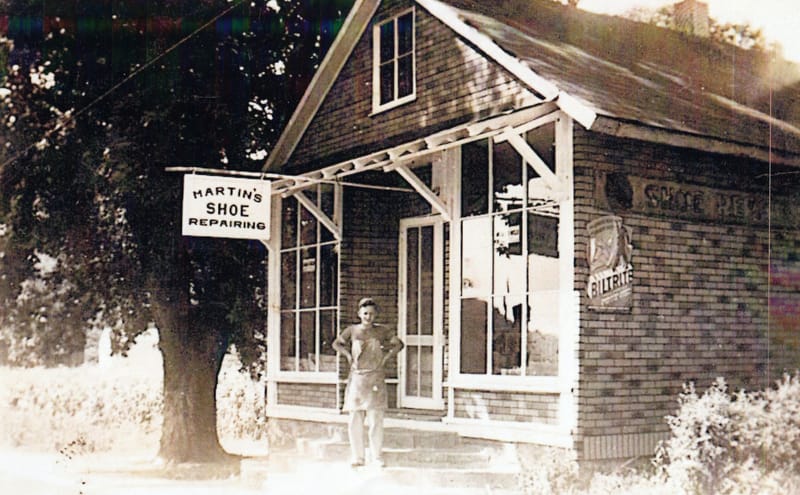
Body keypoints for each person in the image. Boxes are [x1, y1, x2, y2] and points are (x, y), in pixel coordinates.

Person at [332, 297, 404, 468]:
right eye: (365, 313)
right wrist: (348, 355)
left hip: (375, 378)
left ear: (376, 315)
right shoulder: (352, 330)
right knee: (355, 418)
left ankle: (376, 456)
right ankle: (358, 457)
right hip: (357, 378)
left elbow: (398, 344)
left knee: (375, 418)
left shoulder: (382, 331)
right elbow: (337, 343)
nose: (368, 317)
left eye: (371, 314)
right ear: (359, 314)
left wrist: (386, 358)